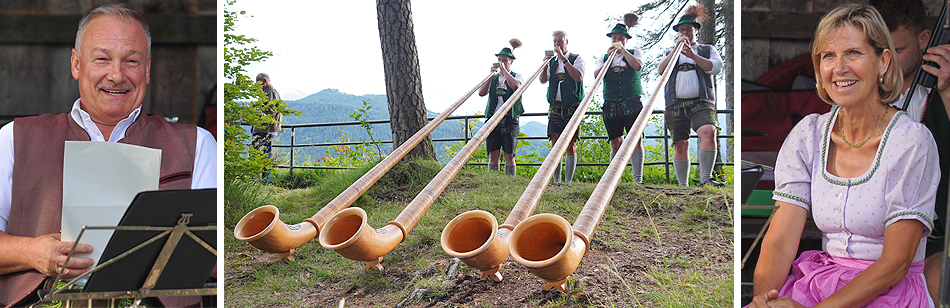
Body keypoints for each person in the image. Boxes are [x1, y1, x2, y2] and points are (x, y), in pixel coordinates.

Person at [0, 4, 216, 307]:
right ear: (76, 64)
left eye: (131, 61)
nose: (116, 75)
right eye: (102, 59)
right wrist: (31, 252)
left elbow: (218, 254)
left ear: (147, 69)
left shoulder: (198, 144)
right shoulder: (14, 137)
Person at [748, 4, 940, 307]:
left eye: (853, 53)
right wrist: (765, 299)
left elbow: (896, 263)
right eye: (828, 56)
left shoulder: (910, 141)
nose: (839, 68)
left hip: (889, 293)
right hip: (819, 285)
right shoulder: (808, 135)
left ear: (883, 61)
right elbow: (780, 239)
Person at [870, 0, 950, 300]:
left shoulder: (942, 88)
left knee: (938, 279)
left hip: (937, 235)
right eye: (878, 52)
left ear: (925, 40)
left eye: (898, 50)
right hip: (876, 235)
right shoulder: (861, 92)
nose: (886, 62)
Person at [658, 4, 724, 187]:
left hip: (701, 102)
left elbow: (716, 68)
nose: (684, 33)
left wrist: (693, 55)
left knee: (708, 131)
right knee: (681, 143)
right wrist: (676, 50)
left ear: (695, 30)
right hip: (675, 104)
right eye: (681, 31)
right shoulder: (670, 53)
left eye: (688, 30)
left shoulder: (707, 49)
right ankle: (683, 186)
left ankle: (705, 179)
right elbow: (661, 71)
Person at [593, 19, 647, 183]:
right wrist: (609, 60)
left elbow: (638, 66)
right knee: (615, 141)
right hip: (611, 102)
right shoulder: (604, 57)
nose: (616, 41)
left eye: (620, 38)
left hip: (632, 101)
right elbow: (597, 76)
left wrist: (623, 51)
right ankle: (613, 179)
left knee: (635, 140)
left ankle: (638, 179)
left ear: (626, 39)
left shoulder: (634, 51)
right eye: (614, 38)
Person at [539, 30, 584, 183]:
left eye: (560, 41)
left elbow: (577, 77)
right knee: (555, 142)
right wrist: (545, 65)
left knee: (571, 143)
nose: (557, 44)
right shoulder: (551, 61)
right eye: (555, 42)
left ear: (566, 42)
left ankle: (568, 182)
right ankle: (556, 181)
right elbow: (543, 80)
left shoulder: (576, 58)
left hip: (572, 105)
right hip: (555, 104)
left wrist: (563, 59)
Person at [478, 39, 524, 176]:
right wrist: (490, 75)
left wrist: (504, 71)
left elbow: (516, 86)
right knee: (493, 154)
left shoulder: (517, 75)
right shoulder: (493, 77)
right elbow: (481, 93)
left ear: (511, 61)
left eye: (504, 60)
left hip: (510, 117)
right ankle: (493, 181)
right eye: (499, 59)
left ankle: (509, 182)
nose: (501, 62)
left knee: (509, 155)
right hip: (493, 117)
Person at [252, 73, 282, 184]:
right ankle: (260, 181)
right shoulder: (266, 93)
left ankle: (266, 182)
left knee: (264, 156)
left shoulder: (271, 92)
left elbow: (270, 110)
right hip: (262, 130)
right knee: (258, 155)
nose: (256, 85)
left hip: (266, 130)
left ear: (264, 81)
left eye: (257, 82)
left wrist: (254, 112)